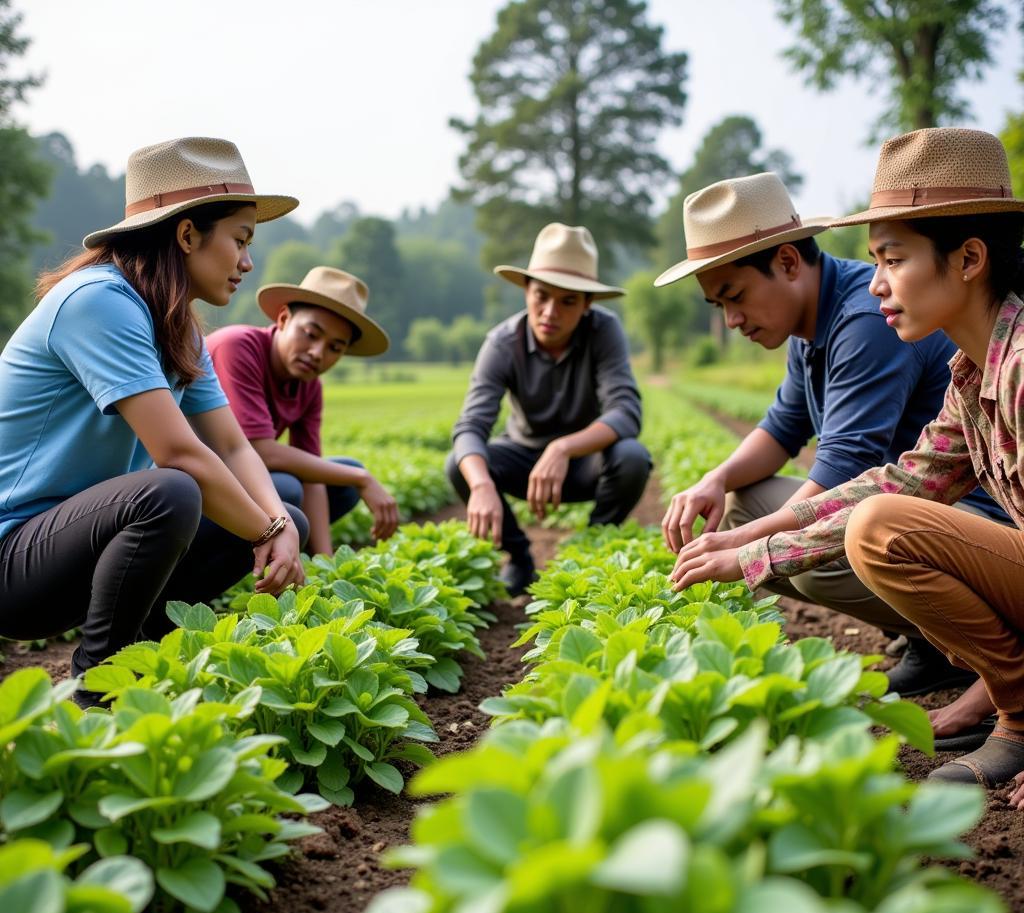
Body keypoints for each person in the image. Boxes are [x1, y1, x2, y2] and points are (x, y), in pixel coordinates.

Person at [668, 127, 1024, 790]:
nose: (879, 284)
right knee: (877, 513)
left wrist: (753, 551)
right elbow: (905, 476)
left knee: (879, 526)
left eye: (894, 260)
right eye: (875, 261)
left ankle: (1013, 703)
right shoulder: (972, 370)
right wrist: (748, 546)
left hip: (988, 548)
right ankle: (994, 685)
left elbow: (867, 484)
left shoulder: (1017, 364)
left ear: (969, 258)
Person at [0, 136, 305, 696]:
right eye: (240, 239)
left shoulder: (178, 327)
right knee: (171, 492)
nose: (247, 261)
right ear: (188, 234)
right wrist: (266, 529)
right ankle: (99, 687)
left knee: (285, 511)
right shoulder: (98, 301)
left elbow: (235, 448)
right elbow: (181, 453)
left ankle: (155, 653)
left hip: (79, 546)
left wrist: (279, 527)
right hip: (13, 558)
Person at [447, 222, 651, 595]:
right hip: (523, 460)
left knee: (632, 457)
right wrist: (480, 485)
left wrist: (562, 447)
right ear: (526, 290)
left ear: (588, 304)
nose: (550, 312)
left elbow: (626, 411)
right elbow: (470, 426)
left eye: (568, 301)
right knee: (462, 464)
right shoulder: (502, 342)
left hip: (586, 461)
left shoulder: (604, 331)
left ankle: (591, 549)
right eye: (541, 295)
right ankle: (520, 558)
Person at [208, 267, 398, 555]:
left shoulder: (309, 386)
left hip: (237, 489)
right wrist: (362, 479)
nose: (318, 353)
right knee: (287, 489)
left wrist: (326, 562)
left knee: (339, 477)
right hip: (190, 489)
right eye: (310, 334)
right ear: (284, 319)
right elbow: (260, 450)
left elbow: (312, 473)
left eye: (335, 348)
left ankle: (301, 566)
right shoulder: (237, 347)